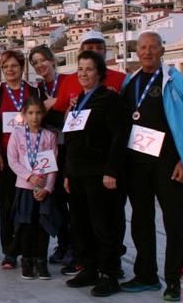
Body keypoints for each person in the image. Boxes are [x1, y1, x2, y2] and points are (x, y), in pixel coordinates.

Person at [120, 31, 183, 301]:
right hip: (137, 164)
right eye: (142, 48)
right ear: (136, 52)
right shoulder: (130, 81)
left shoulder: (175, 80)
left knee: (174, 223)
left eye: (152, 47)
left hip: (169, 163)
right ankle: (146, 275)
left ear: (162, 50)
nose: (147, 52)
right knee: (141, 220)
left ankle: (176, 281)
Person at [62, 50, 129, 297]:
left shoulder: (108, 99)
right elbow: (71, 139)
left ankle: (109, 273)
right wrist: (68, 173)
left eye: (89, 69)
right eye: (80, 69)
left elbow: (119, 136)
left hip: (100, 174)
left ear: (99, 73)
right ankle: (89, 267)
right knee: (81, 225)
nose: (83, 73)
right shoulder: (78, 100)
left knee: (104, 225)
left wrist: (111, 170)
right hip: (78, 175)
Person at [0, 49, 41, 269]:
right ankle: (10, 252)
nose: (10, 70)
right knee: (8, 206)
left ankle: (29, 250)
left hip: (32, 158)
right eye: (6, 67)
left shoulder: (34, 91)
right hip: (4, 159)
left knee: (31, 207)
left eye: (14, 66)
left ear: (22, 68)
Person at [28, 45, 72, 266]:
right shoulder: (36, 90)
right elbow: (31, 113)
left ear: (52, 60)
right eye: (35, 63)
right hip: (48, 151)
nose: (40, 65)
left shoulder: (68, 82)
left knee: (70, 198)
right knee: (55, 200)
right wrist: (53, 103)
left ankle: (75, 246)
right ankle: (64, 243)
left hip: (69, 148)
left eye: (42, 60)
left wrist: (55, 102)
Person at [8, 96, 59, 280]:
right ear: (24, 115)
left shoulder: (48, 136)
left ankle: (41, 261)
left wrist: (48, 188)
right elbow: (13, 160)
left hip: (43, 190)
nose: (35, 117)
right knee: (26, 226)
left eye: (38, 113)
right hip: (24, 187)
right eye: (30, 113)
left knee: (42, 226)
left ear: (43, 114)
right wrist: (29, 176)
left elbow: (52, 166)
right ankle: (27, 261)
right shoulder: (18, 134)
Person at [52, 30, 127, 113]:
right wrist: (72, 108)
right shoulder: (68, 81)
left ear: (105, 51)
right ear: (81, 52)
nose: (95, 51)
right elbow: (59, 114)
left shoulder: (122, 79)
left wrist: (116, 98)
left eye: (99, 48)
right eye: (90, 48)